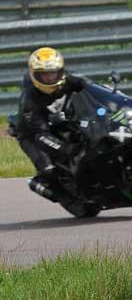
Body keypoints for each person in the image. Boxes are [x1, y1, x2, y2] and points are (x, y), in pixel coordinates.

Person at [15, 47, 87, 203]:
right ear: (35, 74)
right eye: (44, 74)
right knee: (48, 170)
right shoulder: (30, 99)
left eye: (53, 72)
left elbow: (91, 88)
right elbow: (41, 136)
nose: (50, 78)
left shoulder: (69, 79)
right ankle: (57, 193)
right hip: (32, 134)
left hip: (61, 121)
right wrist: (67, 149)